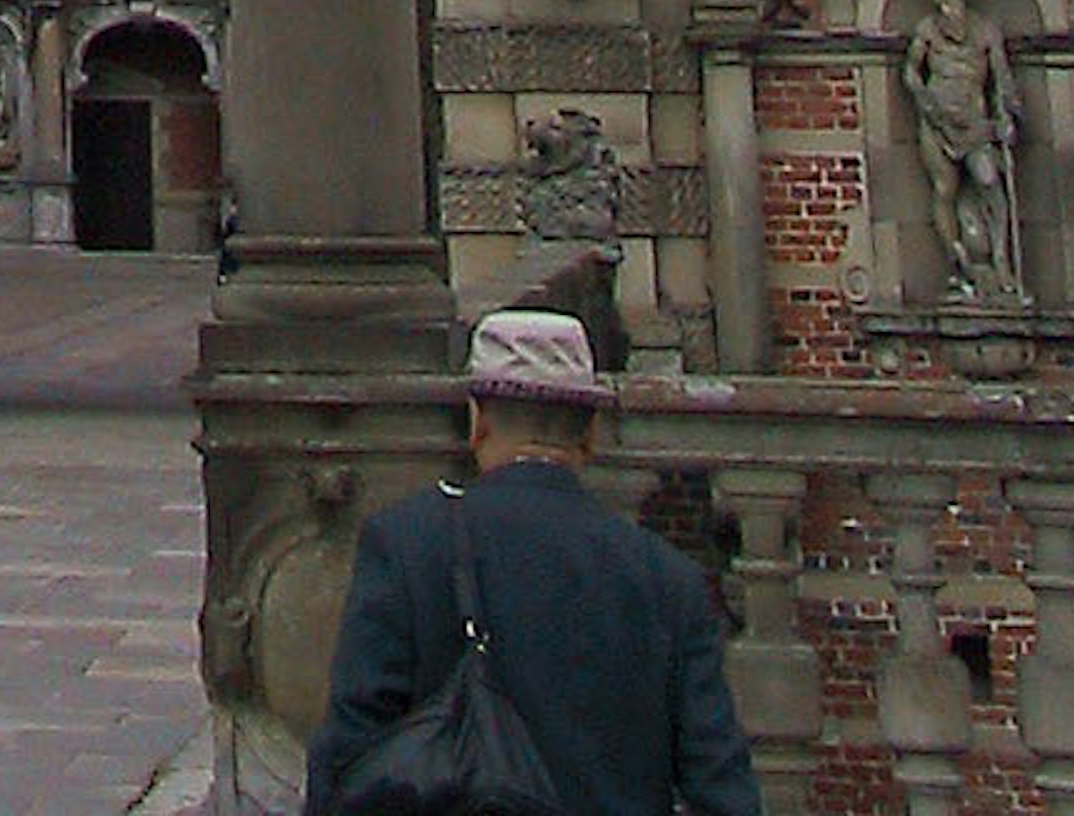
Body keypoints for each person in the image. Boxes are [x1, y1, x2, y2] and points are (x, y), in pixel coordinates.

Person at [305, 307, 761, 816]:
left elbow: (346, 756)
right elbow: (722, 787)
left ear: (477, 420)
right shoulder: (665, 577)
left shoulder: (408, 543)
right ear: (590, 433)